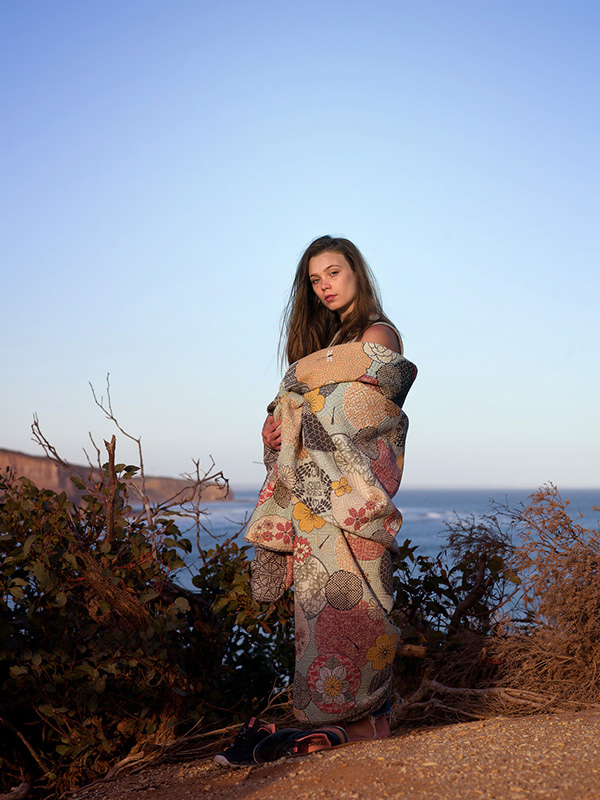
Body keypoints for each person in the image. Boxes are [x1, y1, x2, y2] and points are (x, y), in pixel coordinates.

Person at [215, 236, 417, 767]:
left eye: (333, 272)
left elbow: (360, 413)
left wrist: (298, 410)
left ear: (356, 273)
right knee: (319, 616)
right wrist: (277, 427)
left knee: (361, 608)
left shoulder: (378, 334)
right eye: (315, 279)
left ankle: (368, 723)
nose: (325, 285)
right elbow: (306, 407)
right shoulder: (326, 347)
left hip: (352, 499)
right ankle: (350, 724)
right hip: (314, 505)